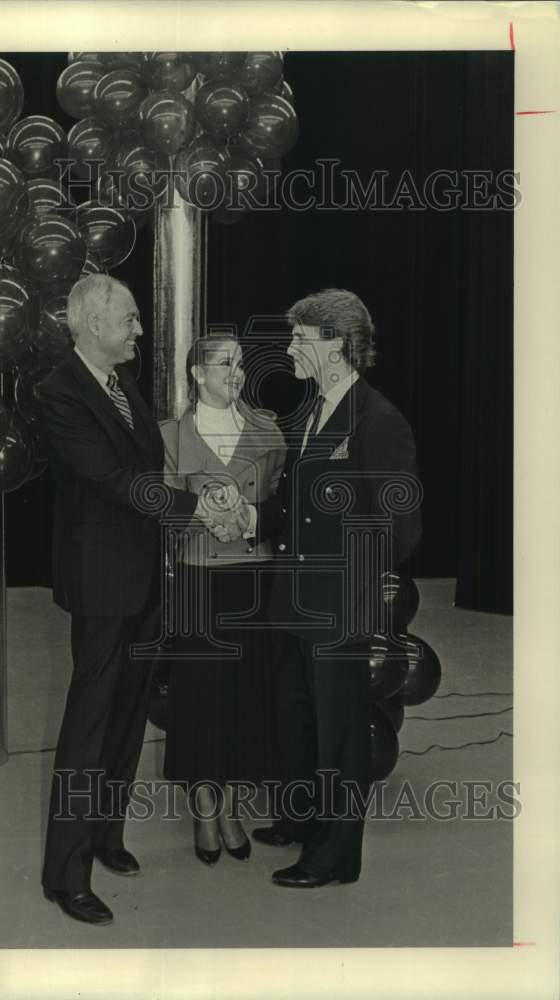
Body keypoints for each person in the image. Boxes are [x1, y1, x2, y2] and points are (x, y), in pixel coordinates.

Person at [36, 275, 243, 925]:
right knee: (89, 722)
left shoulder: (120, 384)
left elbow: (150, 466)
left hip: (144, 576)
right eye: (127, 320)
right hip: (102, 584)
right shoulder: (58, 393)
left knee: (127, 715)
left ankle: (105, 836)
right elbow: (112, 479)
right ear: (92, 324)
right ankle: (64, 873)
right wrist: (197, 510)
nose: (138, 330)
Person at [252, 288, 422, 887]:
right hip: (295, 600)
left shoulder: (377, 420)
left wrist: (349, 591)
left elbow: (399, 529)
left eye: (301, 338)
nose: (290, 348)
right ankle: (302, 821)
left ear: (337, 345)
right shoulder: (314, 411)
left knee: (341, 732)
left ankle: (337, 854)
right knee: (298, 717)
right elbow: (294, 505)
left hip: (337, 606)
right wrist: (251, 519)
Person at [159, 334, 287, 866]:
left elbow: (280, 498)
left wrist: (249, 516)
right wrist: (202, 513)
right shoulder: (170, 436)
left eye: (240, 364)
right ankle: (204, 806)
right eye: (223, 363)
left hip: (252, 578)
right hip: (198, 579)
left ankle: (233, 804)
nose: (235, 372)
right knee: (200, 695)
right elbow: (161, 505)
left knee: (244, 691)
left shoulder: (268, 432)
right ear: (196, 374)